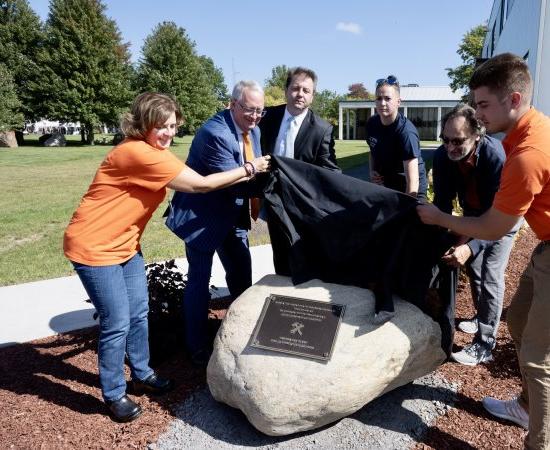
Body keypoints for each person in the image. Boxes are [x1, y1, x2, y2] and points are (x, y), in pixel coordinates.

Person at [63, 92, 270, 423]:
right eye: (162, 126)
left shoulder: (154, 152)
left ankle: (143, 374)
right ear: (144, 123)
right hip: (94, 246)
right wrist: (250, 167)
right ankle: (115, 393)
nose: (169, 133)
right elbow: (201, 185)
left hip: (126, 244)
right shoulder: (138, 153)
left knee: (140, 311)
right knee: (117, 320)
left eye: (173, 126)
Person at [417, 53, 550, 449]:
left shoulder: (523, 155)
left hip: (504, 225)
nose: (479, 113)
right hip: (543, 244)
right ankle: (526, 406)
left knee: (537, 358)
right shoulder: (528, 130)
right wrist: (448, 226)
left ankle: (538, 441)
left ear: (513, 98)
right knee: (522, 318)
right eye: (475, 104)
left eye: (484, 105)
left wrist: (448, 225)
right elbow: (454, 204)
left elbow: (497, 225)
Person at [165, 80, 266, 366]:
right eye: (249, 110)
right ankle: (196, 347)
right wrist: (276, 186)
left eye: (260, 111)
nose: (255, 117)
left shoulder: (253, 130)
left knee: (241, 277)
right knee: (199, 280)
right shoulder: (215, 133)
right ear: (232, 104)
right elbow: (238, 185)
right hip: (203, 217)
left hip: (232, 215)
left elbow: (254, 174)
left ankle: (242, 336)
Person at [432, 104, 520, 366]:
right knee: (474, 269)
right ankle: (480, 317)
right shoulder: (442, 157)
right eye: (446, 140)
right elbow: (442, 205)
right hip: (475, 214)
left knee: (490, 274)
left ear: (477, 135)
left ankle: (485, 342)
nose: (450, 147)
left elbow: (495, 219)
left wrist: (469, 245)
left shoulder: (496, 157)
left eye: (458, 141)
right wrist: (443, 240)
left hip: (504, 217)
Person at [258, 66, 340, 275]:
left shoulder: (321, 129)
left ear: (312, 96)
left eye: (306, 90)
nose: (300, 94)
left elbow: (328, 168)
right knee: (280, 251)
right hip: (273, 196)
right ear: (286, 90)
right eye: (295, 88)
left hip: (303, 202)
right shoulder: (267, 117)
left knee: (305, 252)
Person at [366, 75, 428, 199]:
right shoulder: (372, 123)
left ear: (398, 102)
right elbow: (373, 151)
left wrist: (407, 207)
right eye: (379, 98)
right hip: (387, 185)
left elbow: (413, 182)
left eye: (387, 98)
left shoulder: (406, 132)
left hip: (409, 189)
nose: (382, 103)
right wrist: (372, 171)